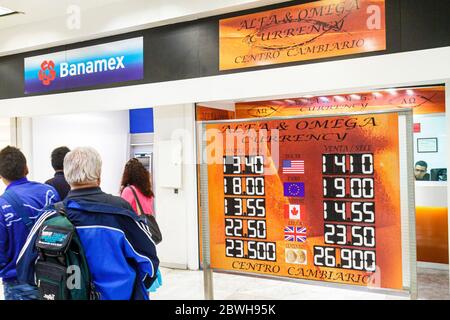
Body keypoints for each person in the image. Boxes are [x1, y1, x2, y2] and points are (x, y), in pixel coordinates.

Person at [16, 147, 159, 300]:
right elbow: (149, 260)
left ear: (67, 176)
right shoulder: (120, 212)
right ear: (99, 175)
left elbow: (24, 267)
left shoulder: (50, 216)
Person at [0, 146, 60, 300]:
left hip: (17, 282)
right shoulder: (49, 193)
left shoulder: (2, 206)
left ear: (1, 175)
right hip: (52, 277)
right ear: (26, 168)